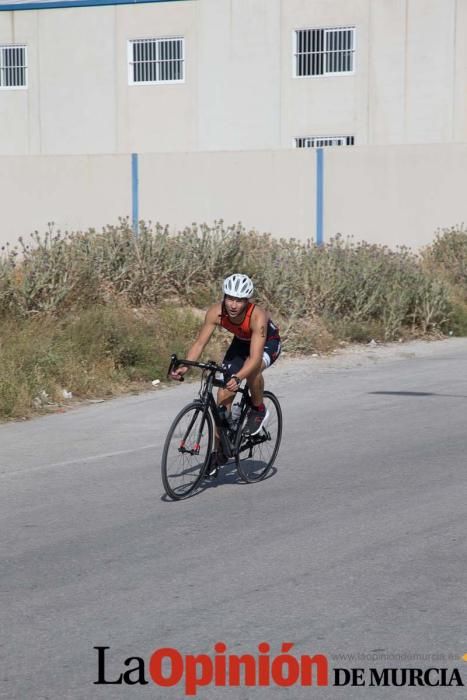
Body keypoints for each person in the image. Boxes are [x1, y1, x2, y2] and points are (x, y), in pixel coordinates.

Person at [170, 273, 281, 475]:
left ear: (247, 301)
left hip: (267, 344)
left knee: (252, 370)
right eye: (230, 298)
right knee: (222, 397)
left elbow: (255, 358)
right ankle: (220, 451)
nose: (233, 304)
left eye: (239, 300)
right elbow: (200, 343)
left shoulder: (258, 317)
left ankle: (258, 408)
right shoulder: (215, 312)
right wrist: (186, 367)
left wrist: (238, 377)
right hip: (241, 343)